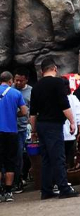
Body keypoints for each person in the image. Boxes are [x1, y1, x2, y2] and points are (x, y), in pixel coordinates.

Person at [29, 59, 80, 199]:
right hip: (54, 125)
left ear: (42, 71)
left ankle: (46, 189)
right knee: (58, 157)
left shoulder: (36, 87)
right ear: (55, 69)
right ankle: (64, 188)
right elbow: (64, 105)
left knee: (46, 158)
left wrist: (33, 131)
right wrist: (72, 121)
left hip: (41, 125)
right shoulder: (58, 83)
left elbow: (32, 113)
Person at [0, 71, 27, 202]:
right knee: (10, 161)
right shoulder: (16, 93)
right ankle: (8, 191)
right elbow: (24, 111)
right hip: (11, 132)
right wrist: (14, 114)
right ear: (10, 81)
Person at [11, 69, 31, 194]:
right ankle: (15, 180)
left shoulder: (31, 92)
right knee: (14, 155)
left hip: (24, 128)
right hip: (11, 128)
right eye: (16, 80)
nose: (18, 83)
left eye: (21, 80)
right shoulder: (10, 90)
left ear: (26, 80)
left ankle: (21, 178)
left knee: (23, 154)